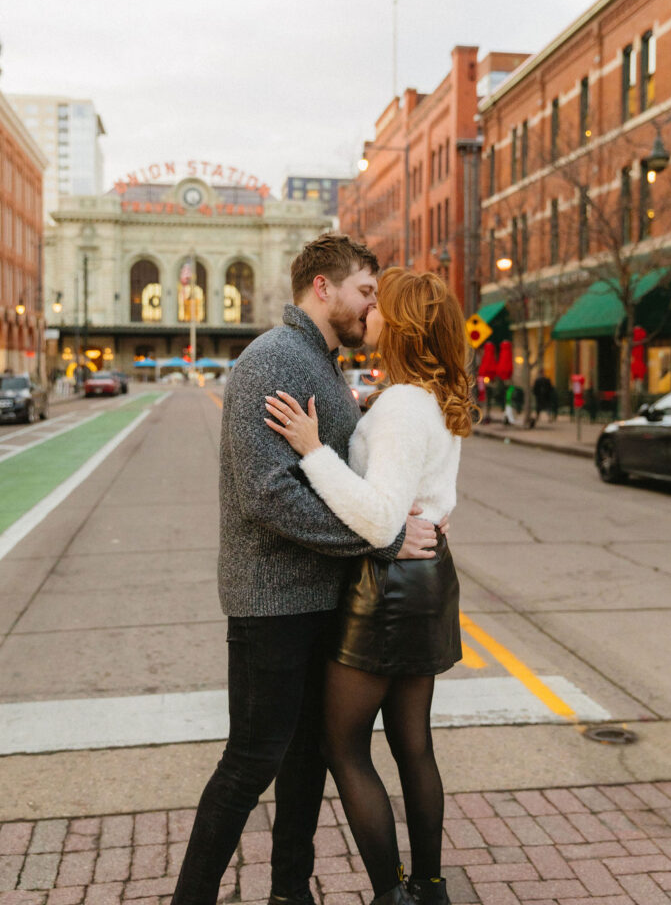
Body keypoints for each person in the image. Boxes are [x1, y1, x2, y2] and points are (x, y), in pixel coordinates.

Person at [171, 235, 443, 905]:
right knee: (252, 760)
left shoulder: (319, 362)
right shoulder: (273, 360)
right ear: (321, 287)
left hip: (321, 595)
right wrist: (380, 542)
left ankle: (290, 891)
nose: (370, 308)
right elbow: (269, 494)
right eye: (363, 292)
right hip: (271, 600)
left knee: (306, 761)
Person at [265, 268, 474, 905]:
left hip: (386, 583)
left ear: (403, 324)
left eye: (381, 306)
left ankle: (392, 893)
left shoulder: (405, 407)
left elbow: (380, 518)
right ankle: (429, 886)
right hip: (428, 574)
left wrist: (313, 450)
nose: (369, 312)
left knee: (343, 744)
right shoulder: (430, 396)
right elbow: (432, 496)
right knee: (414, 743)